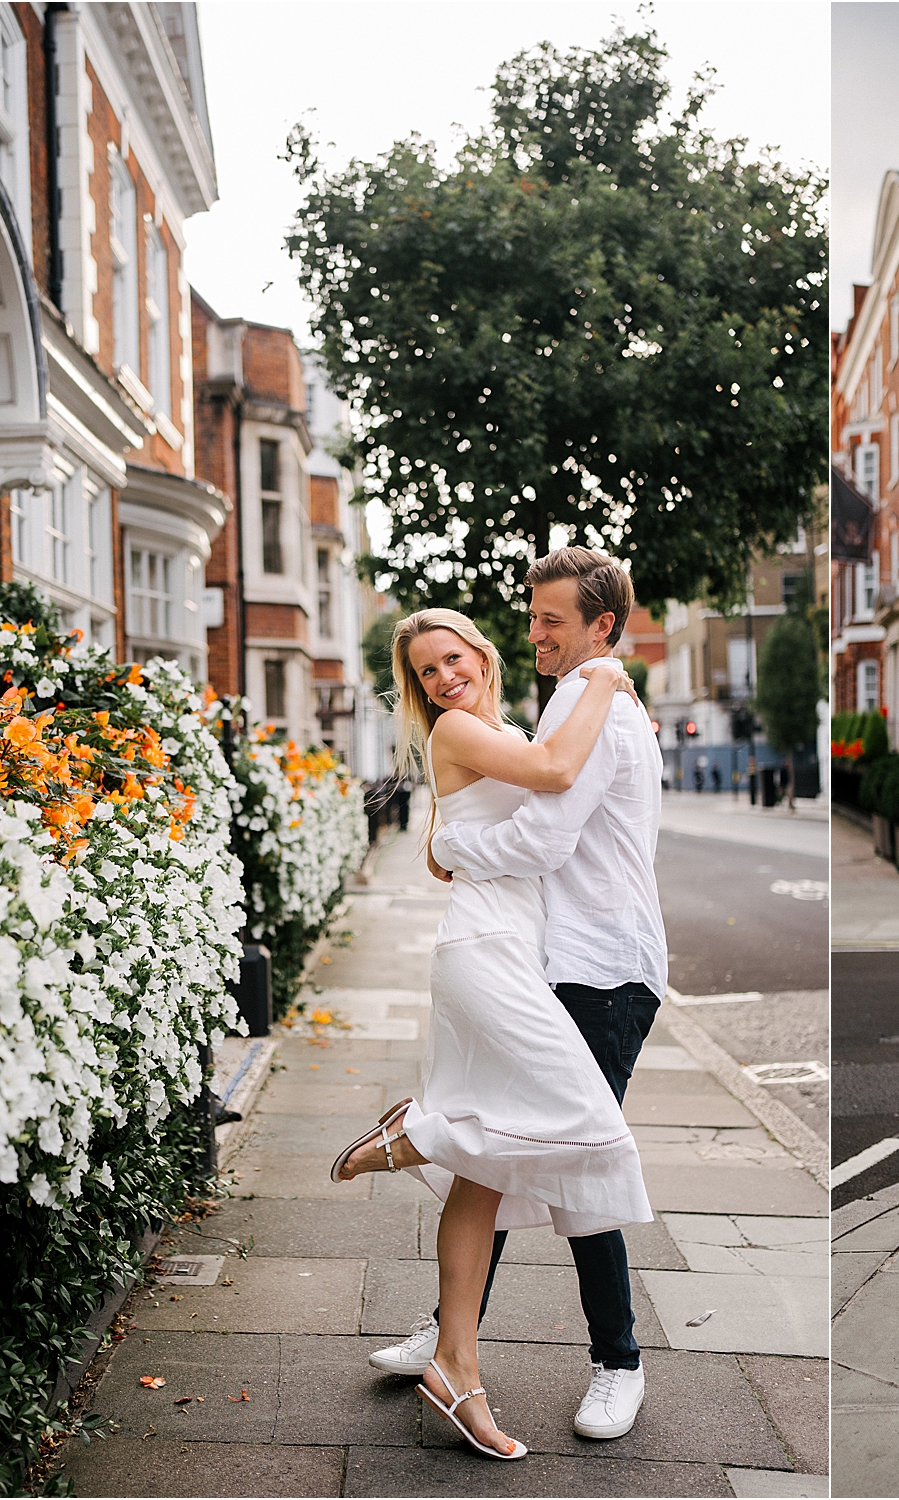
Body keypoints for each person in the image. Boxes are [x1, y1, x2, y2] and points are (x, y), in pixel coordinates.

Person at [328, 602, 651, 1460]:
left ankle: (454, 1370)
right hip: (488, 951)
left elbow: (473, 833)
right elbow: (553, 771)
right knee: (586, 1124)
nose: (444, 678)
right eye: (426, 672)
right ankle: (414, 1135)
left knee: (487, 1172)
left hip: (512, 949)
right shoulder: (462, 732)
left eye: (452, 659)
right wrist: (606, 676)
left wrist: (455, 844)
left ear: (480, 653)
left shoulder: (495, 730)